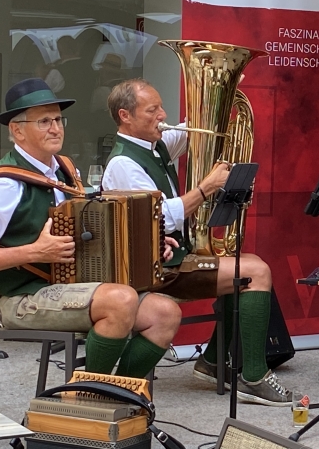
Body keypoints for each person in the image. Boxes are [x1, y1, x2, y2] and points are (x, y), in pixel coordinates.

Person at [0, 78, 182, 379]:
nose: (55, 128)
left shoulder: (65, 170)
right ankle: (87, 395)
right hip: (21, 299)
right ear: (17, 130)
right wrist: (35, 251)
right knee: (120, 300)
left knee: (165, 313)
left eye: (58, 120)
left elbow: (92, 229)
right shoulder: (5, 184)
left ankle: (119, 390)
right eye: (44, 121)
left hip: (70, 286)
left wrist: (149, 242)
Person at [101, 78, 294, 405]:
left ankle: (214, 362)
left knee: (244, 265)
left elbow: (198, 128)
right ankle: (253, 376)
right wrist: (207, 188)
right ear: (125, 116)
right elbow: (160, 218)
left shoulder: (153, 143)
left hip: (172, 258)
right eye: (152, 110)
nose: (162, 115)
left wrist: (223, 90)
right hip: (152, 269)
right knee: (255, 272)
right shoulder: (124, 163)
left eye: (161, 107)